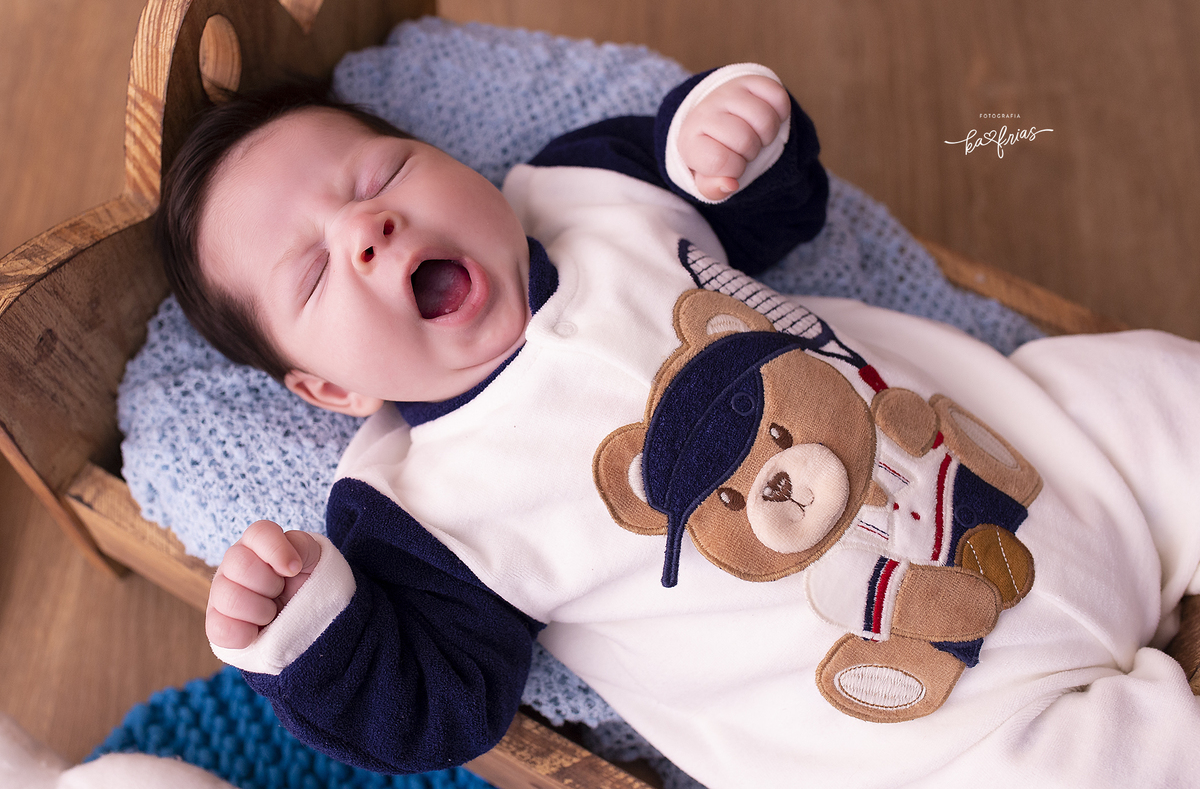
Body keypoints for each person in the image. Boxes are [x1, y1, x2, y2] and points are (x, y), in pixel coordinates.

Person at [161, 64, 1200, 788]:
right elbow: (435, 704)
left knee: (1156, 389)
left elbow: (773, 204)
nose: (366, 225)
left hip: (1047, 459)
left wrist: (731, 136)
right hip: (953, 731)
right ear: (330, 390)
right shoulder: (419, 505)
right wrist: (309, 632)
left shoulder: (591, 192)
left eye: (382, 173)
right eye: (313, 273)